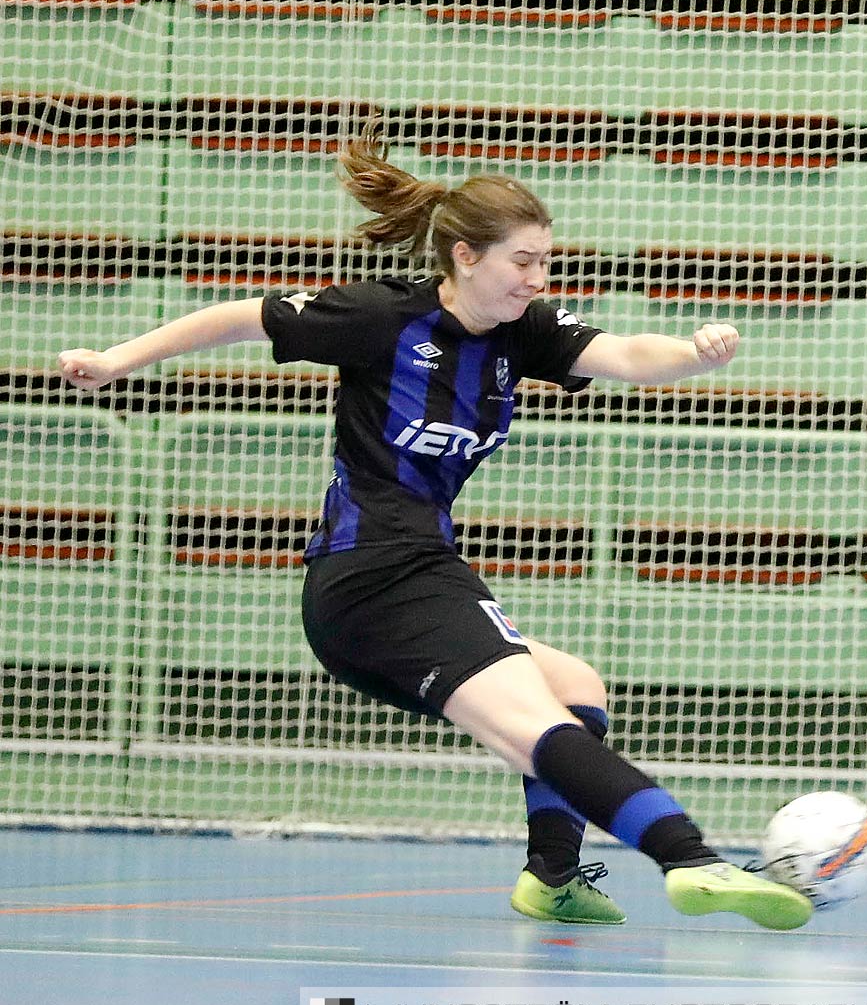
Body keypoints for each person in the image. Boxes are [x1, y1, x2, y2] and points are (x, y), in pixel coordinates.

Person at [55, 124, 814, 932]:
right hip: (371, 578)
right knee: (535, 725)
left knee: (574, 686)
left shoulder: (522, 333)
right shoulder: (382, 315)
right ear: (465, 257)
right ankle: (689, 857)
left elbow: (626, 351)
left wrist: (696, 357)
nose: (537, 278)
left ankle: (552, 876)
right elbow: (241, 317)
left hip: (421, 571)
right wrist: (118, 357)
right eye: (522, 261)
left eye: (545, 261)